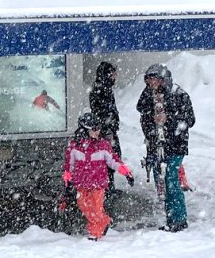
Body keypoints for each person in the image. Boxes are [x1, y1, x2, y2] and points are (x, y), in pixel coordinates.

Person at [136, 63, 195, 232]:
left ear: (164, 79)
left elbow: (189, 119)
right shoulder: (149, 94)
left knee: (171, 180)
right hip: (157, 146)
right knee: (163, 183)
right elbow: (141, 109)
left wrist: (168, 118)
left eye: (155, 79)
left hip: (175, 145)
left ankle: (179, 220)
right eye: (149, 80)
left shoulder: (179, 94)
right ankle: (172, 219)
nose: (152, 83)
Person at [62, 112, 135, 240]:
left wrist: (126, 172)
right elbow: (69, 166)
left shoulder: (102, 145)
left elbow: (114, 161)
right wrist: (68, 183)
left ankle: (95, 233)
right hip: (81, 183)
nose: (98, 132)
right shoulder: (74, 146)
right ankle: (105, 221)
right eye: (94, 129)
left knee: (96, 208)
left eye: (99, 128)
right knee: (84, 206)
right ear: (85, 130)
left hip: (98, 183)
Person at [88, 62, 122, 190]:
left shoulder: (102, 87)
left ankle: (107, 187)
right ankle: (107, 188)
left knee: (109, 158)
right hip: (105, 131)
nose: (115, 77)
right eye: (113, 74)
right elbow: (103, 112)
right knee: (108, 159)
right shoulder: (102, 89)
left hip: (106, 130)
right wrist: (109, 127)